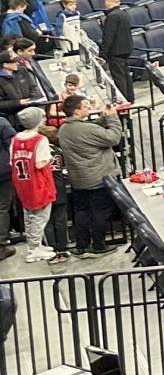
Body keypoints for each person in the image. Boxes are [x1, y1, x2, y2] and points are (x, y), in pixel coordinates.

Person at [52, 94, 123, 258]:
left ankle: (81, 245)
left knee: (81, 212)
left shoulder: (64, 129)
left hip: (78, 180)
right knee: (100, 212)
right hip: (98, 178)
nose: (88, 108)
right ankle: (98, 246)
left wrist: (102, 119)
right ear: (77, 111)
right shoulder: (86, 129)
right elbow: (113, 138)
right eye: (85, 106)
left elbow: (90, 131)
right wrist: (112, 118)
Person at [9, 107, 63, 263]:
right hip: (38, 182)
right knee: (40, 217)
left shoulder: (16, 138)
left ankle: (34, 244)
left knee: (29, 215)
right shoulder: (40, 139)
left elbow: (12, 160)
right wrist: (50, 159)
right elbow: (40, 163)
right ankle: (34, 249)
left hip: (22, 182)